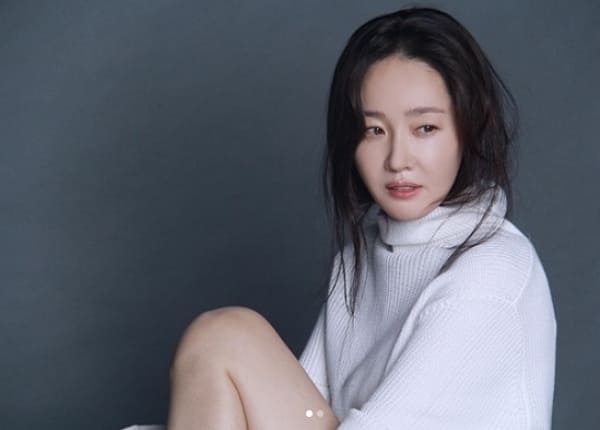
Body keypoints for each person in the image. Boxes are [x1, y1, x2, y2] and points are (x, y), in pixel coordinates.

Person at [159, 6, 556, 430]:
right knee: (224, 339)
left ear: (468, 128)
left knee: (228, 335)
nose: (397, 160)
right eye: (374, 130)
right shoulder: (359, 259)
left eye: (425, 128)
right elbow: (290, 406)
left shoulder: (493, 272)